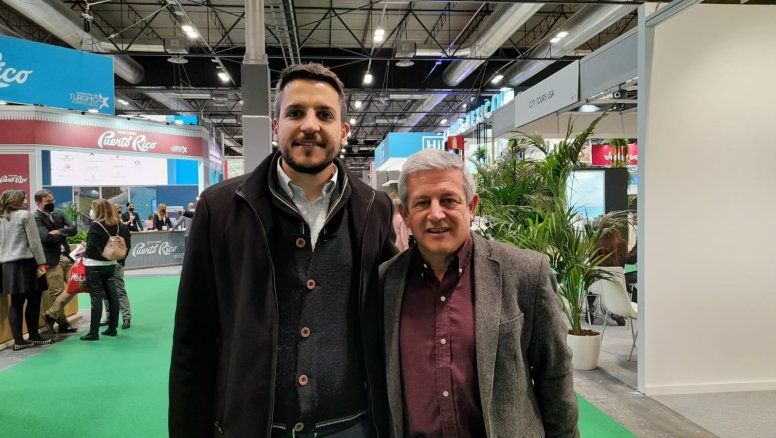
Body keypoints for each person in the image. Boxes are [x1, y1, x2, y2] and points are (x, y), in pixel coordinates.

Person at [169, 63, 397, 437]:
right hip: (255, 425)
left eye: (324, 114)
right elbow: (192, 340)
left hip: (352, 426)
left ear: (343, 131)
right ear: (276, 127)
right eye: (295, 113)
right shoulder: (221, 207)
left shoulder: (375, 208)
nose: (310, 125)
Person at [380, 149, 579, 437]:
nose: (436, 214)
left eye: (449, 200)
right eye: (423, 202)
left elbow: (555, 376)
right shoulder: (385, 282)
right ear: (405, 215)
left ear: (471, 207)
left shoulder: (525, 273)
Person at [0, 190, 54, 350]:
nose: (25, 201)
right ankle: (34, 335)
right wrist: (42, 263)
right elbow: (34, 242)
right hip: (27, 264)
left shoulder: (1, 217)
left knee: (16, 303)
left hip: (7, 266)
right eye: (23, 198)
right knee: (34, 301)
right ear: (17, 200)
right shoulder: (25, 215)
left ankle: (18, 341)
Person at [80, 199, 130, 341]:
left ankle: (93, 332)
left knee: (96, 297)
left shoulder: (96, 225)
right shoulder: (117, 224)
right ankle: (112, 328)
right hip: (111, 264)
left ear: (97, 210)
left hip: (94, 265)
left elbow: (90, 248)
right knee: (112, 296)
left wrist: (83, 250)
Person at [34, 189, 78, 334]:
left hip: (66, 256)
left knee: (77, 284)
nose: (52, 203)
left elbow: (74, 229)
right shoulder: (36, 217)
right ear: (39, 203)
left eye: (52, 200)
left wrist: (58, 232)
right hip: (51, 259)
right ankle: (63, 323)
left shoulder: (58, 213)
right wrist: (62, 232)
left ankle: (51, 314)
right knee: (56, 292)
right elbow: (45, 237)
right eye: (48, 201)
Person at [108, 203, 132, 329]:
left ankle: (110, 317)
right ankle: (126, 318)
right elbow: (128, 247)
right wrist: (121, 259)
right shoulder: (123, 227)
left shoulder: (104, 226)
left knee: (107, 291)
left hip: (108, 263)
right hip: (118, 262)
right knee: (120, 290)